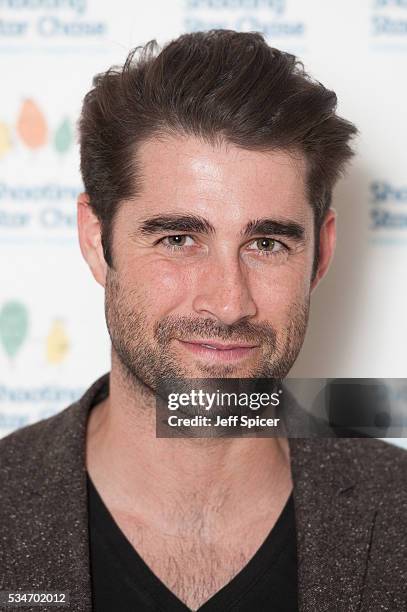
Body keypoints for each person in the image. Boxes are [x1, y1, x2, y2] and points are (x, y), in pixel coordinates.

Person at [1, 29, 406, 612]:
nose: (227, 302)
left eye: (266, 243)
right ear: (96, 239)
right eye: (179, 238)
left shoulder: (395, 509)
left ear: (321, 252)